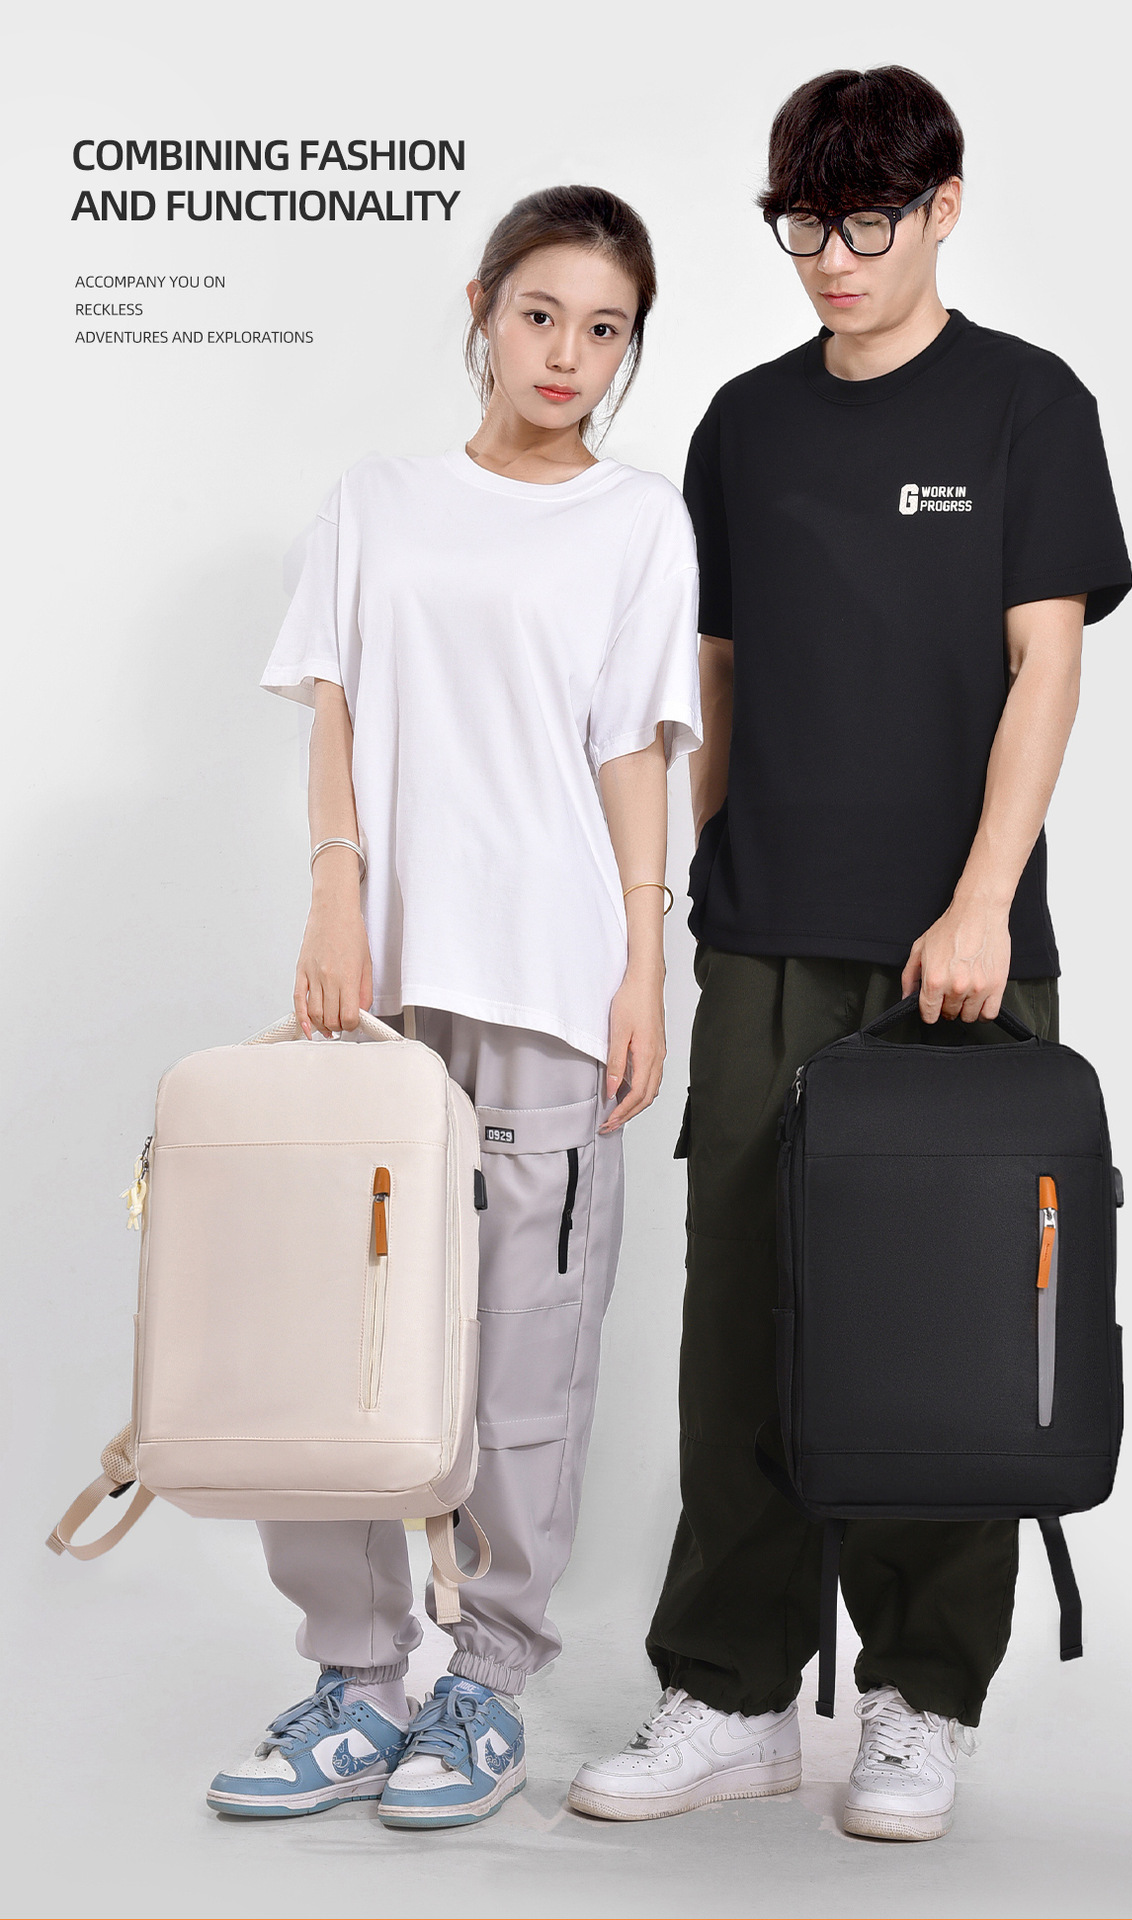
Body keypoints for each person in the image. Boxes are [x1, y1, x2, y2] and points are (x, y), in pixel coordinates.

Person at [570, 67, 1131, 1840]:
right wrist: (691, 886)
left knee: (937, 1323)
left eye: (867, 222)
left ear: (943, 207)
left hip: (955, 948)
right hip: (763, 938)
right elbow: (718, 675)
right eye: (803, 225)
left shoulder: (1026, 405)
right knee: (739, 1318)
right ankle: (731, 1692)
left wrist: (980, 901)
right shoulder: (742, 426)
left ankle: (919, 1696)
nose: (832, 258)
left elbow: (1046, 665)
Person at [207, 185, 701, 1829]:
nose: (567, 354)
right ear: (483, 305)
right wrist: (333, 891)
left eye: (605, 329)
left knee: (523, 1367)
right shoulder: (379, 502)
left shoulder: (637, 523)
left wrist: (644, 957)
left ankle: (481, 1685)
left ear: (628, 349)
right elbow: (335, 709)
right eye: (541, 313)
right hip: (378, 981)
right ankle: (358, 1682)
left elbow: (629, 749)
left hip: (552, 979)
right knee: (333, 1344)